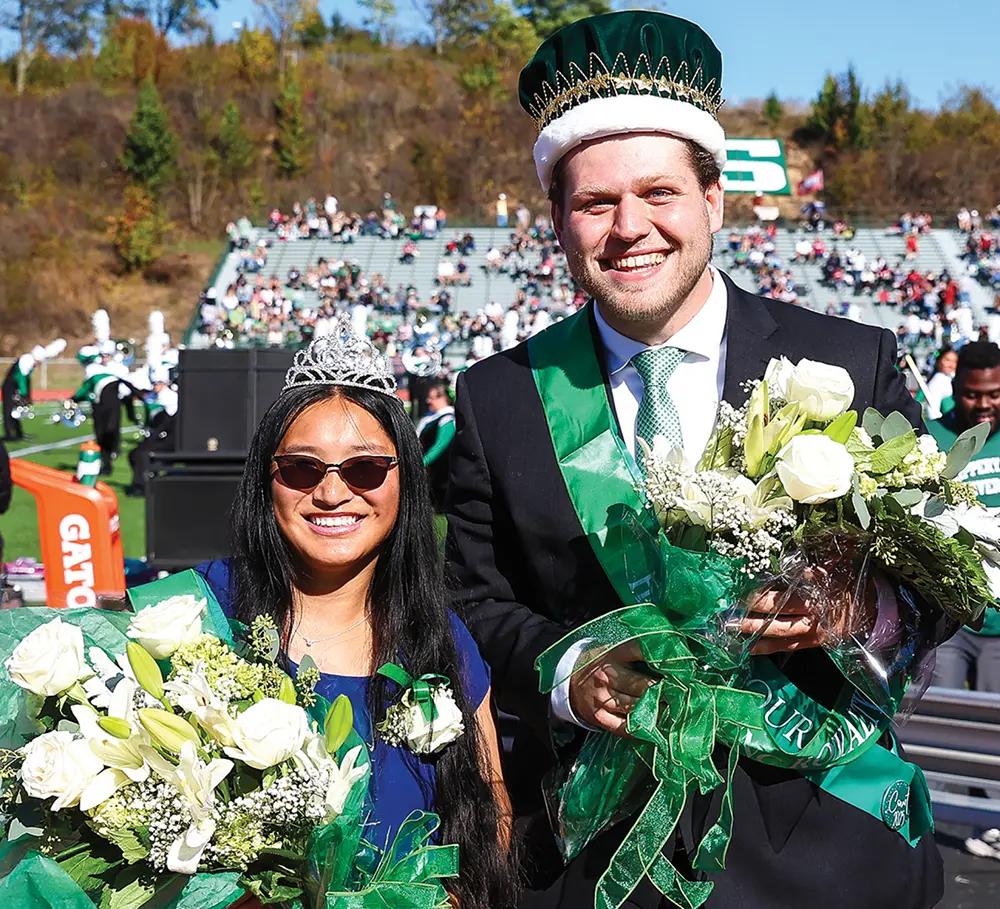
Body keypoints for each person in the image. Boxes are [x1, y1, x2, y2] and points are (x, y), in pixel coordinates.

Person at [445, 11, 944, 909]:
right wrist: (566, 674)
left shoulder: (852, 360)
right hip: (601, 854)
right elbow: (467, 601)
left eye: (658, 194)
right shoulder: (498, 396)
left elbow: (944, 575)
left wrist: (859, 606)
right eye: (596, 203)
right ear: (559, 221)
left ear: (713, 200)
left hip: (827, 838)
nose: (629, 227)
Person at [201, 319, 517, 909]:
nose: (332, 493)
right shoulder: (197, 614)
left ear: (404, 482)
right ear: (264, 482)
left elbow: (488, 803)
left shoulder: (442, 636)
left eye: (366, 469)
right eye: (301, 468)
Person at [928, 341, 1000, 859]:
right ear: (956, 392)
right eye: (974, 396)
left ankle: (991, 818)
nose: (984, 406)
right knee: (946, 729)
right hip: (951, 621)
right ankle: (948, 826)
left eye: (994, 395)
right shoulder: (931, 435)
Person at [124, 367, 178, 498]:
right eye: (154, 383)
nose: (156, 386)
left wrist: (157, 434)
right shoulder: (152, 396)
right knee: (133, 454)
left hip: (168, 439)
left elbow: (170, 423)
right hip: (156, 437)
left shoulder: (171, 398)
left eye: (159, 383)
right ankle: (146, 480)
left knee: (141, 454)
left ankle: (140, 487)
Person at [70, 341, 123, 475]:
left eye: (108, 355)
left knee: (111, 431)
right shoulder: (93, 369)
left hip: (114, 406)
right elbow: (86, 387)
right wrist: (74, 398)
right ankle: (107, 465)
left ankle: (114, 448)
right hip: (98, 407)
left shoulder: (119, 369)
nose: (105, 358)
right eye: (103, 355)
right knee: (100, 436)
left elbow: (128, 389)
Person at [417, 380, 456, 512]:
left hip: (440, 472)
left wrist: (423, 462)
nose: (428, 401)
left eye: (431, 397)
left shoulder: (448, 417)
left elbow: (441, 444)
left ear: (443, 398)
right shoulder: (431, 416)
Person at [924, 347, 958, 419]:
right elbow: (932, 411)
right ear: (939, 361)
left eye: (955, 361)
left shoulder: (953, 379)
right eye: (947, 360)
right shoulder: (937, 381)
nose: (951, 365)